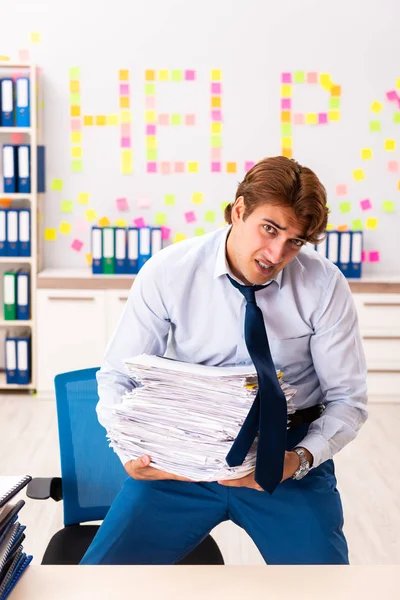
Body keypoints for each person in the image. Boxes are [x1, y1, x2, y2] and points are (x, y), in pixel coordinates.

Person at [80, 155, 368, 566]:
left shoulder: (323, 285)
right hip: (180, 458)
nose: (276, 252)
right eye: (270, 229)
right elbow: (116, 375)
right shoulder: (169, 271)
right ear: (239, 210)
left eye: (294, 242)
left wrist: (300, 460)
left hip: (283, 459)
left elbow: (347, 398)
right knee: (100, 582)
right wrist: (127, 448)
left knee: (325, 590)